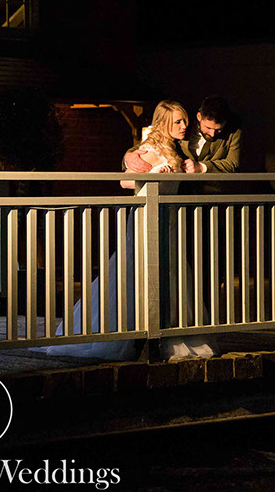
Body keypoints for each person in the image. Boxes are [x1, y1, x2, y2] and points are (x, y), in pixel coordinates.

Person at [40, 100, 214, 360]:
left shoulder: (179, 151)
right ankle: (133, 330)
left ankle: (169, 330)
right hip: (146, 218)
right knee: (137, 271)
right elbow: (124, 180)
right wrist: (154, 172)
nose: (183, 126)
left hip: (170, 221)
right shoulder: (147, 149)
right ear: (164, 123)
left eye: (185, 121)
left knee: (172, 272)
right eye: (178, 121)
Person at [124, 96, 241, 176]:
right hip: (182, 198)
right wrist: (128, 157)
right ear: (199, 117)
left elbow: (232, 164)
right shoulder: (183, 123)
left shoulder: (234, 130)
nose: (212, 134)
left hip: (214, 198)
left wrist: (201, 167)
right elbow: (149, 147)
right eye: (208, 128)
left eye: (218, 130)